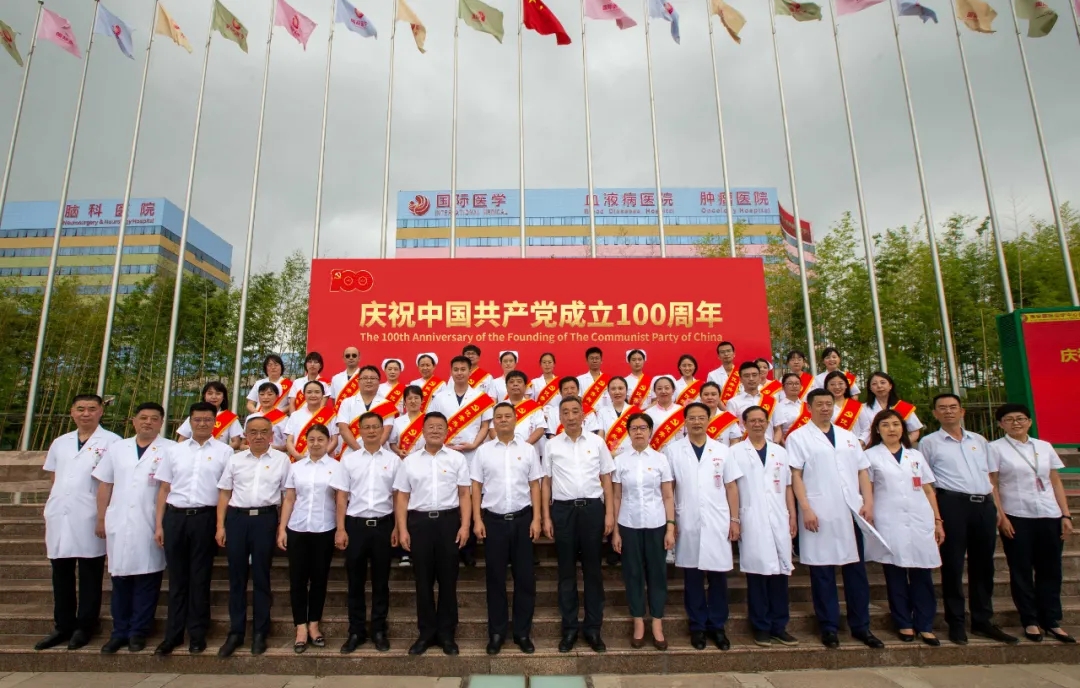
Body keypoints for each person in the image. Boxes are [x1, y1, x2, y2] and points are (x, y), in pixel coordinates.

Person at [787, 389, 882, 650]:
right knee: (822, 573)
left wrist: (868, 502)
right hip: (819, 511)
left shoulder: (848, 436)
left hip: (851, 511)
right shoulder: (798, 437)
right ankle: (828, 627)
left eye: (829, 404)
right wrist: (805, 508)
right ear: (809, 407)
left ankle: (861, 626)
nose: (825, 408)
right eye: (819, 404)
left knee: (856, 572)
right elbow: (795, 475)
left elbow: (862, 472)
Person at [920, 393, 1018, 645]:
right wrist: (936, 517)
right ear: (935, 414)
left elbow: (991, 478)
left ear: (962, 411)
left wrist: (998, 510)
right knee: (953, 564)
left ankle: (982, 620)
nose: (948, 411)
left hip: (983, 504)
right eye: (942, 408)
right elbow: (926, 482)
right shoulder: (929, 443)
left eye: (953, 407)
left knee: (984, 564)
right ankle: (956, 622)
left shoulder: (980, 441)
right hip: (952, 504)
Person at [35, 394, 122, 651]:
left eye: (92, 409)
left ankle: (86, 625)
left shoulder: (112, 442)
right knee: (60, 572)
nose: (86, 413)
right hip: (60, 513)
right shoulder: (60, 442)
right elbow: (55, 477)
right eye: (81, 409)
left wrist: (103, 516)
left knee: (89, 572)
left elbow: (112, 482)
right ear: (72, 412)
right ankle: (62, 625)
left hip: (90, 514)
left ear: (101, 412)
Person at [989, 403, 1076, 644]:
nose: (1015, 423)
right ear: (1001, 424)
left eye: (1020, 418)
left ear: (1029, 421)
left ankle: (1052, 620)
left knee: (1051, 570)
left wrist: (1065, 514)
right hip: (1017, 515)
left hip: (1049, 514)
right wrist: (1001, 516)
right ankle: (1030, 620)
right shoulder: (995, 448)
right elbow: (992, 483)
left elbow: (1055, 481)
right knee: (1021, 570)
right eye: (1009, 419)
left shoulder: (1044, 446)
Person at [153, 401, 234, 656]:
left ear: (214, 423)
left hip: (205, 518)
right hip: (175, 517)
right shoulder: (174, 451)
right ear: (190, 422)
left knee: (200, 577)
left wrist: (221, 525)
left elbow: (226, 491)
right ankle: (173, 635)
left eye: (207, 420)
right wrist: (159, 524)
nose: (202, 424)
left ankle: (197, 634)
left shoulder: (225, 452)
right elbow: (164, 489)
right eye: (197, 419)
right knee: (177, 578)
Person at [92, 402, 174, 654]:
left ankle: (139, 631)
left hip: (150, 521)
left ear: (161, 423)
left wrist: (162, 524)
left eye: (154, 418)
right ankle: (119, 632)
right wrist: (101, 518)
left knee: (148, 578)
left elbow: (169, 488)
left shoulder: (171, 449)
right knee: (120, 578)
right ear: (134, 421)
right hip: (119, 519)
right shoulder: (118, 448)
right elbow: (105, 484)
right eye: (143, 418)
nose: (148, 422)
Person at [664, 402, 742, 651]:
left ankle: (717, 626)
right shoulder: (673, 451)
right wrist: (671, 522)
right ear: (684, 421)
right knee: (693, 577)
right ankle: (697, 626)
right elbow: (669, 489)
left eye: (701, 418)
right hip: (687, 519)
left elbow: (731, 487)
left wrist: (735, 519)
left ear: (709, 420)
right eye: (692, 418)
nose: (697, 422)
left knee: (718, 577)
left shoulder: (722, 450)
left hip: (718, 520)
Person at [394, 412, 473, 656]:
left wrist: (465, 526)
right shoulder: (410, 462)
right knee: (423, 581)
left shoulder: (457, 459)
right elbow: (402, 497)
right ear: (423, 431)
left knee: (448, 580)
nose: (435, 430)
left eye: (440, 427)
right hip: (419, 524)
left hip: (448, 522)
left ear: (447, 431)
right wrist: (402, 528)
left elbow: (464, 494)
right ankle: (426, 633)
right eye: (431, 427)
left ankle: (447, 634)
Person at [864, 409, 944, 646]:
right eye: (886, 425)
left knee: (922, 573)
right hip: (889, 519)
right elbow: (867, 490)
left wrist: (937, 520)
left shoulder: (915, 455)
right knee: (895, 573)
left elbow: (928, 490)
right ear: (877, 430)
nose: (892, 429)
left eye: (896, 424)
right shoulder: (870, 456)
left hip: (920, 518)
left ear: (903, 429)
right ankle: (904, 622)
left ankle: (925, 624)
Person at [542, 396, 615, 653]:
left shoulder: (597, 442)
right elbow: (546, 483)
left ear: (583, 415)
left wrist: (609, 514)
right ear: (560, 417)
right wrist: (546, 517)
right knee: (566, 572)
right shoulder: (551, 445)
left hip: (592, 510)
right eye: (566, 412)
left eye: (575, 411)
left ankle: (593, 629)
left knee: (593, 571)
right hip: (563, 511)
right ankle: (570, 628)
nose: (571, 417)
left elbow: (607, 479)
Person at [215, 415, 291, 657]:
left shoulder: (281, 460)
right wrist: (220, 526)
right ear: (246, 435)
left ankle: (260, 632)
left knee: (261, 576)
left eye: (264, 432)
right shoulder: (235, 459)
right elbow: (224, 494)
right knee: (236, 577)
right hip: (237, 519)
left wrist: (281, 527)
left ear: (271, 435)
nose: (259, 436)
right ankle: (236, 632)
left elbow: (287, 496)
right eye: (253, 432)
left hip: (265, 520)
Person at [471, 402, 543, 654]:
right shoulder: (483, 452)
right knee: (495, 579)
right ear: (493, 421)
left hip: (523, 520)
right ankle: (497, 633)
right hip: (494, 521)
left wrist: (537, 518)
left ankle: (522, 633)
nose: (503, 420)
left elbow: (535, 485)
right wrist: (477, 519)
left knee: (525, 579)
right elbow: (476, 486)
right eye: (498, 417)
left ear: (515, 419)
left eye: (507, 416)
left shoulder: (528, 450)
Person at [332, 411, 401, 653]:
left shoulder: (393, 460)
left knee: (382, 581)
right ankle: (356, 631)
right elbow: (341, 496)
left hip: (383, 525)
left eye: (375, 427)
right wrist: (340, 528)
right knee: (355, 581)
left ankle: (379, 630)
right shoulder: (349, 460)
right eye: (367, 427)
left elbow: (398, 496)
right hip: (355, 526)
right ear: (359, 431)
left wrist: (397, 526)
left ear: (383, 430)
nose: (371, 431)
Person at [732, 405, 798, 647]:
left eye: (761, 420)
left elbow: (788, 487)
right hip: (752, 518)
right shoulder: (735, 452)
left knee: (781, 574)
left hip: (779, 517)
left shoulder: (779, 452)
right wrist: (735, 519)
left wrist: (792, 515)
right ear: (744, 424)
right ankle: (760, 626)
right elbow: (732, 488)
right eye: (752, 421)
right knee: (757, 574)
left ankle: (779, 626)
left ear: (767, 423)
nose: (757, 424)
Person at [611, 413, 676, 650]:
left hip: (656, 524)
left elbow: (667, 496)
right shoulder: (620, 461)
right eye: (634, 428)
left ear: (650, 431)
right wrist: (616, 531)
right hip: (628, 524)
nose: (638, 432)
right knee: (633, 574)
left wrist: (670, 527)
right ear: (628, 432)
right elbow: (616, 497)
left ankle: (657, 622)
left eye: (643, 428)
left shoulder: (660, 459)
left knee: (657, 574)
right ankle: (638, 621)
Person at [278, 423, 337, 653]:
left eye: (320, 439)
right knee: (298, 580)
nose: (315, 443)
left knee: (320, 579)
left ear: (328, 442)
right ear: (305, 442)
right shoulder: (296, 467)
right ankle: (300, 627)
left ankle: (314, 624)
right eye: (311, 439)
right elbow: (289, 499)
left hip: (325, 528)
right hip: (298, 528)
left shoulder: (337, 467)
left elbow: (340, 499)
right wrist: (282, 528)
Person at [337, 365, 396, 453]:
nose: (369, 381)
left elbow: (386, 431)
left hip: (379, 452)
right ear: (358, 381)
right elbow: (343, 429)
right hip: (352, 452)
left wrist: (373, 451)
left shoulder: (387, 404)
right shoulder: (347, 402)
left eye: (372, 378)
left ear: (379, 382)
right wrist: (360, 451)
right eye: (365, 378)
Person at [175, 381, 242, 449]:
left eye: (218, 394)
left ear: (223, 397)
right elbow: (181, 440)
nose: (214, 397)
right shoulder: (195, 415)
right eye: (210, 393)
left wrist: (222, 451)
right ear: (204, 396)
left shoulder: (229, 417)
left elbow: (237, 442)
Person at [864, 371, 924, 446]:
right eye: (874, 384)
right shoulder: (863, 408)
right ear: (870, 388)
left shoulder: (903, 407)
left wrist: (899, 446)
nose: (879, 386)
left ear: (890, 386)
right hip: (872, 448)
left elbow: (915, 431)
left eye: (883, 382)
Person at [285, 380, 339, 461]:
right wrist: (297, 456)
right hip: (299, 460)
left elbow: (334, 441)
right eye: (309, 392)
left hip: (325, 460)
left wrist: (321, 457)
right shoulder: (295, 415)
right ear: (304, 395)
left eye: (317, 392)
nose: (313, 395)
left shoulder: (331, 415)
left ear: (323, 395)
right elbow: (289, 441)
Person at [824, 370, 870, 447]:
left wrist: (859, 443)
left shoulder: (856, 406)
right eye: (832, 384)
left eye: (840, 383)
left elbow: (867, 429)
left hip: (856, 447)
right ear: (827, 387)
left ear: (846, 385)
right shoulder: (823, 407)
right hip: (832, 447)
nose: (837, 387)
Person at [726, 361, 778, 429]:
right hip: (744, 436)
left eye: (754, 375)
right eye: (747, 376)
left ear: (759, 377)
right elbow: (731, 429)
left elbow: (778, 429)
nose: (751, 379)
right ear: (740, 379)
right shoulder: (733, 403)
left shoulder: (772, 401)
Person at [597, 376, 640, 457]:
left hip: (632, 455)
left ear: (626, 390)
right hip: (609, 456)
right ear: (608, 392)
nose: (617, 392)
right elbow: (600, 436)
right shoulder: (602, 412)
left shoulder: (635, 411)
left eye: (620, 388)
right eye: (613, 389)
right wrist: (606, 454)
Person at [501, 370, 546, 446]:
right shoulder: (499, 407)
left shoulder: (534, 406)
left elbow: (540, 429)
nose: (515, 384)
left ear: (525, 386)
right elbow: (493, 429)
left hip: (529, 449)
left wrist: (524, 447)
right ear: (506, 386)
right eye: (511, 382)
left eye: (519, 381)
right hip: (505, 448)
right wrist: (506, 445)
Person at [644, 376, 684, 452]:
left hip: (679, 453)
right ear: (655, 391)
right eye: (659, 389)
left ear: (673, 390)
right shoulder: (647, 413)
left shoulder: (682, 411)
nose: (663, 391)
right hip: (657, 453)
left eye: (667, 388)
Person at [246, 381, 289, 451]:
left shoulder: (283, 419)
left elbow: (288, 445)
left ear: (277, 396)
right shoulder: (251, 418)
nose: (265, 397)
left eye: (270, 394)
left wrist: (270, 449)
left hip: (275, 455)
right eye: (262, 394)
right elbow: (242, 444)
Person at [700, 381, 743, 447]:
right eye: (706, 394)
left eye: (713, 394)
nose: (710, 397)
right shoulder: (693, 417)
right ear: (701, 397)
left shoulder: (728, 418)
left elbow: (735, 442)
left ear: (719, 397)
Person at [390, 385, 427, 458]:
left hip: (424, 458)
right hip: (404, 459)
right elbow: (392, 443)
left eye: (416, 398)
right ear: (405, 401)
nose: (413, 401)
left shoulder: (428, 420)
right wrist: (399, 451)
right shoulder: (397, 421)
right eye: (409, 398)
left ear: (422, 400)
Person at [529, 352, 562, 429]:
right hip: (540, 417)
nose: (547, 365)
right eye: (544, 362)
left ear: (554, 364)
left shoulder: (560, 383)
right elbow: (531, 402)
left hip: (557, 417)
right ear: (540, 364)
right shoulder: (534, 382)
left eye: (549, 362)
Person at [577, 346, 613, 414]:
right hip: (587, 415)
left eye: (597, 358)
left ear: (601, 361)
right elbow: (578, 399)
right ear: (587, 361)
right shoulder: (579, 379)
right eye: (591, 358)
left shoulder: (609, 380)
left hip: (606, 414)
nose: (594, 361)